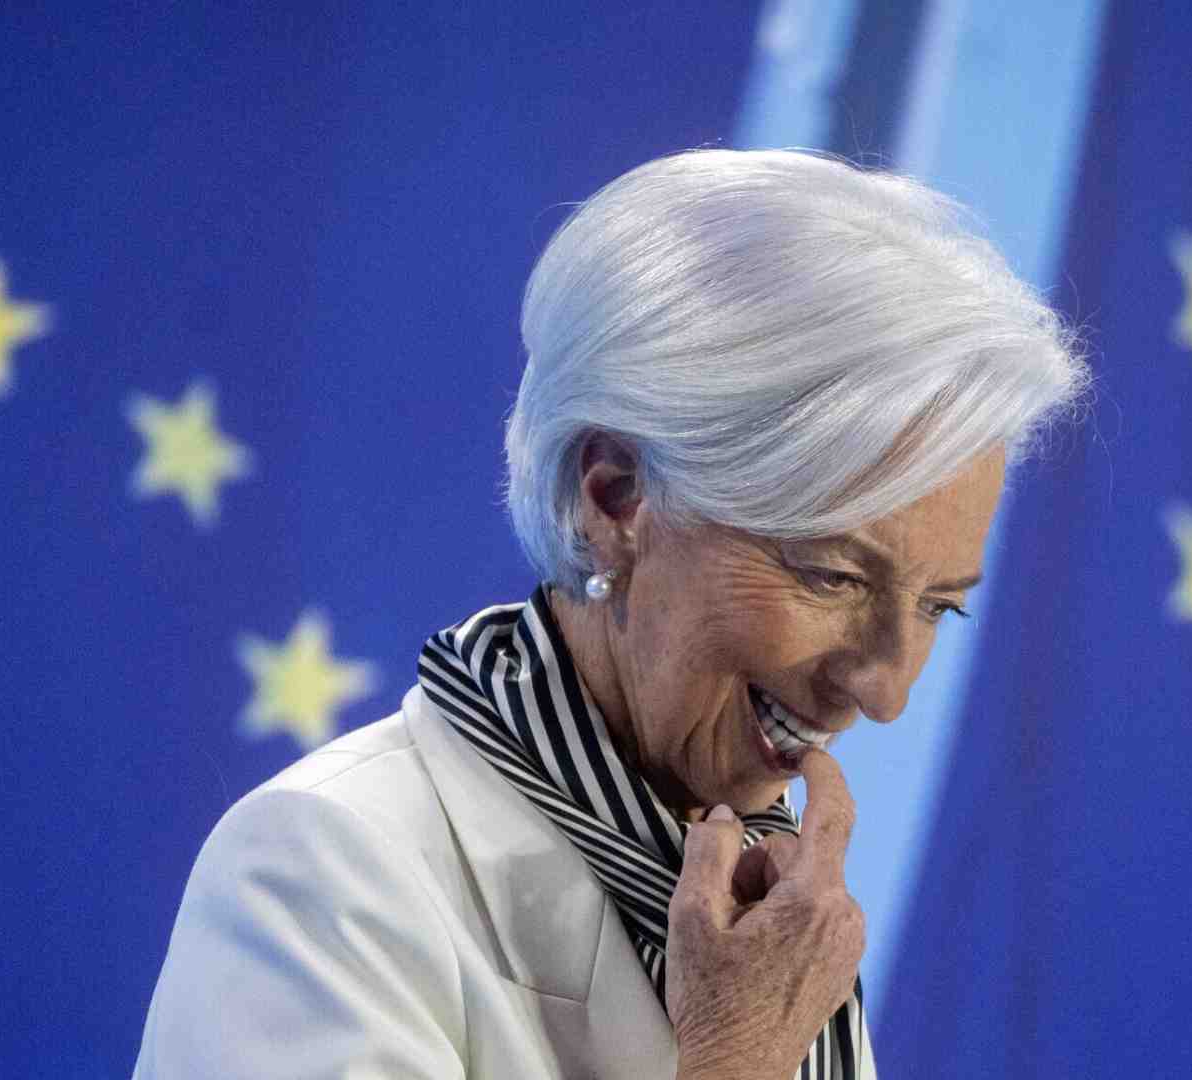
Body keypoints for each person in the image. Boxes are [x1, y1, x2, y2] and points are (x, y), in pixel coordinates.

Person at [133, 148, 1087, 1079]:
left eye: (938, 607)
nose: (883, 691)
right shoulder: (323, 866)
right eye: (832, 578)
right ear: (617, 497)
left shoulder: (771, 911)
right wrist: (738, 1060)